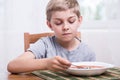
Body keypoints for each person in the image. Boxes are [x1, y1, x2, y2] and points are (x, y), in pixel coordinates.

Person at [7, 0, 96, 73]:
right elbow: (12, 66)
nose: (65, 27)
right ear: (50, 25)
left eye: (71, 21)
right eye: (58, 23)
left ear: (79, 21)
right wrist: (46, 64)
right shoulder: (45, 44)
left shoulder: (88, 52)